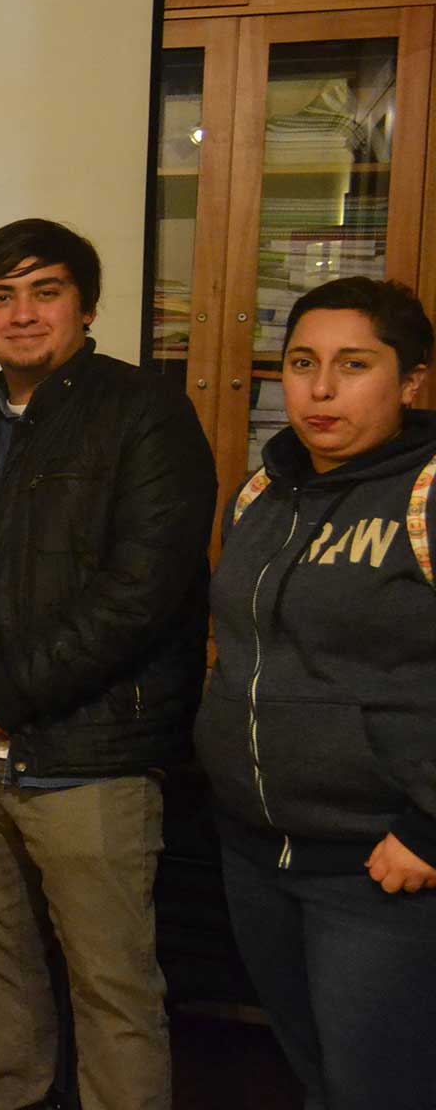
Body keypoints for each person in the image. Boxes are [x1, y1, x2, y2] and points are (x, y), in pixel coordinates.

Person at [0, 218, 215, 1110]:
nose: (23, 313)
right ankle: (12, 1093)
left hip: (90, 755)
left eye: (46, 291)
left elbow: (143, 589)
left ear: (87, 306)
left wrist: (6, 692)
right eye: (1, 297)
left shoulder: (144, 411)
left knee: (112, 981)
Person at [194, 276, 436, 1110]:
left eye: (353, 365)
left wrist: (429, 829)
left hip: (378, 868)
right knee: (312, 1072)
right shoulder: (263, 492)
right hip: (255, 850)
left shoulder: (424, 491)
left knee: (379, 1087)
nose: (321, 389)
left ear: (411, 381)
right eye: (302, 363)